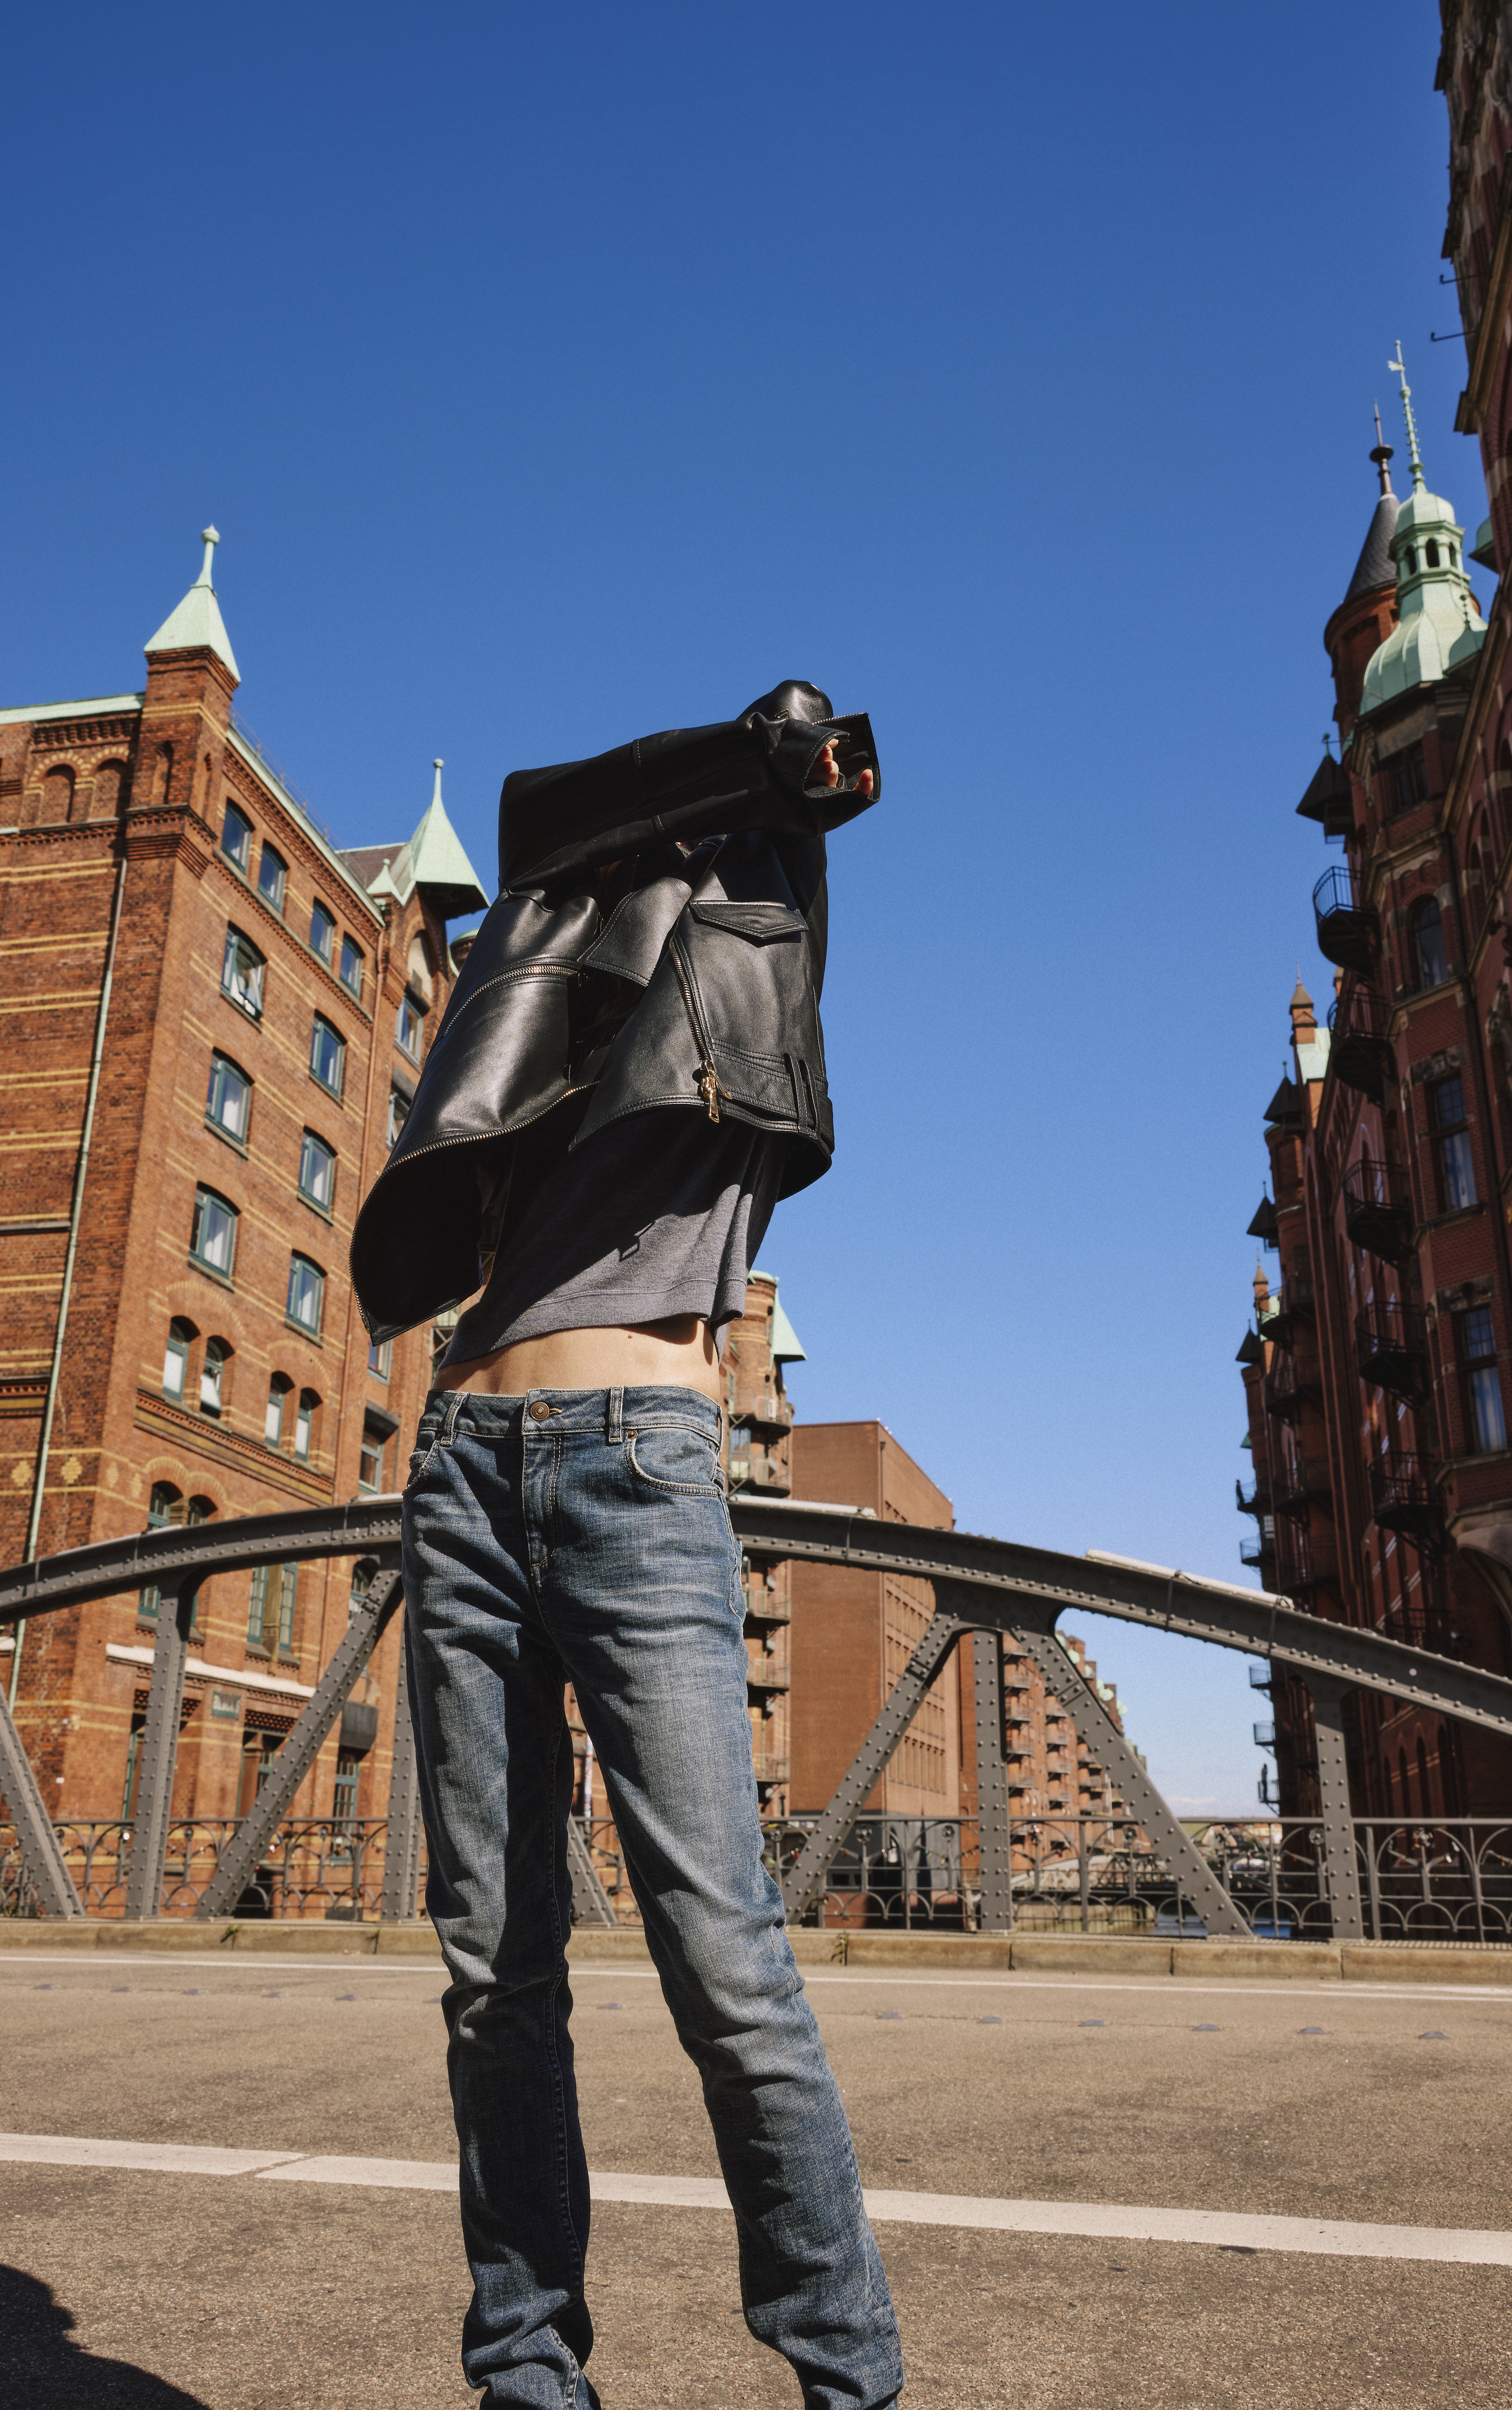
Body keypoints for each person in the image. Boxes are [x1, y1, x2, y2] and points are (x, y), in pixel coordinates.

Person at [350, 683, 903, 2410]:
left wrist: (769, 773)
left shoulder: (759, 932)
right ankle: (527, 2373)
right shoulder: (523, 961)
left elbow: (804, 773)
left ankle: (845, 2377)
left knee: (720, 1951)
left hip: (636, 1459)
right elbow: (539, 818)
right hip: (463, 1458)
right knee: (489, 1972)